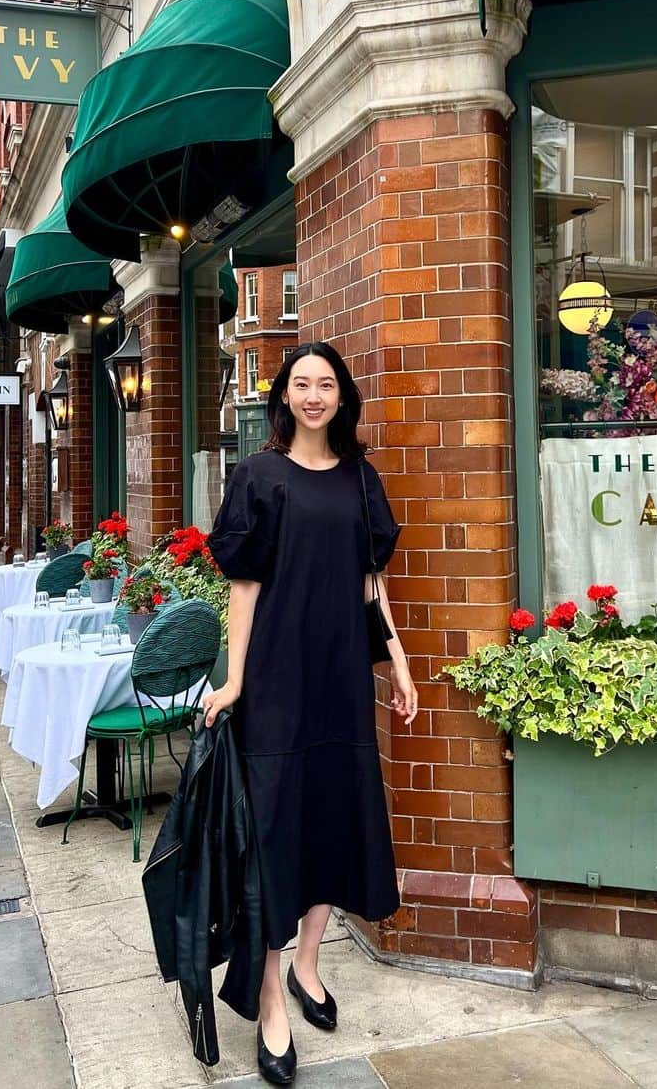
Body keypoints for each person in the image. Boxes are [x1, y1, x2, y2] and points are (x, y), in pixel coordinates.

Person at [204, 341, 418, 1086]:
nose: (315, 395)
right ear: (284, 397)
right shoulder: (259, 477)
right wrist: (232, 682)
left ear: (342, 395)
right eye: (302, 384)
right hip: (275, 682)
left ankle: (310, 966)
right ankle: (269, 996)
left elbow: (370, 588)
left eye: (326, 383)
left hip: (339, 681)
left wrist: (398, 664)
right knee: (273, 838)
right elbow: (243, 589)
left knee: (332, 819)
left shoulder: (361, 480)